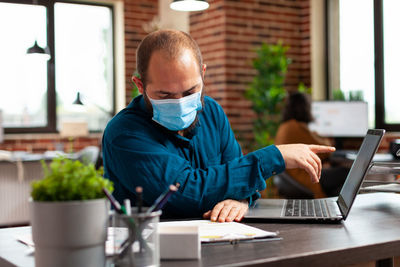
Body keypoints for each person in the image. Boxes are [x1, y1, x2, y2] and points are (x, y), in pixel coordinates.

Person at [102, 29, 335, 222]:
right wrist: (273, 157)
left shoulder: (211, 111)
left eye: (190, 91)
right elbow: (188, 192)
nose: (181, 103)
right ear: (140, 85)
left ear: (203, 74)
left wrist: (240, 200)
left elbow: (242, 178)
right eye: (165, 95)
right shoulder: (123, 133)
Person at [275, 92, 348, 198]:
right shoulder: (295, 127)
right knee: (346, 173)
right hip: (305, 177)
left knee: (337, 184)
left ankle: (334, 206)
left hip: (293, 178)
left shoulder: (285, 126)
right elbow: (325, 149)